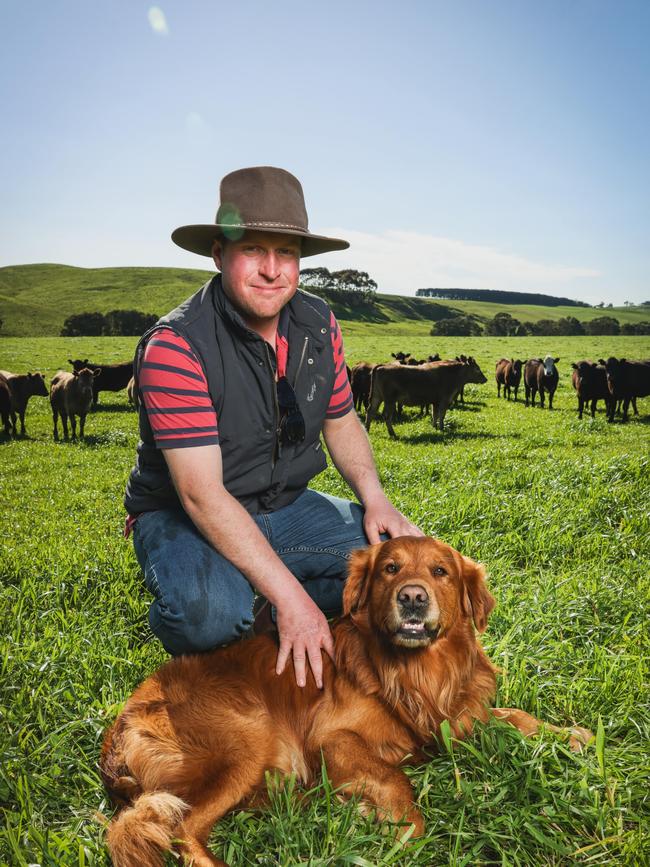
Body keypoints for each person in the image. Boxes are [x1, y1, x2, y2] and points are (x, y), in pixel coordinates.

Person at [124, 166, 422, 689]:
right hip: (187, 515)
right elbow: (199, 496)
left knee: (397, 566)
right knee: (209, 616)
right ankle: (236, 597)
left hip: (282, 506)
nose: (271, 269)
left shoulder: (318, 322)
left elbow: (341, 417)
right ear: (219, 254)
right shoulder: (176, 345)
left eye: (285, 252)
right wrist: (295, 601)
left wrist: (375, 498)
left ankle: (261, 595)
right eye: (252, 250)